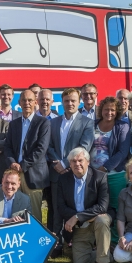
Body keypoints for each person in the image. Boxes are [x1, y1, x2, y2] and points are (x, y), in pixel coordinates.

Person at [48, 88, 94, 243]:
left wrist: (65, 163)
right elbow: (48, 146)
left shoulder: (87, 122)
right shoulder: (53, 122)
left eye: (73, 100)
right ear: (62, 102)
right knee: (56, 209)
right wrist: (57, 163)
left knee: (74, 207)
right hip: (56, 172)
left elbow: (84, 146)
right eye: (66, 100)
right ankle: (57, 242)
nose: (70, 103)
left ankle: (73, 241)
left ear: (79, 101)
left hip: (75, 172)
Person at [57, 147, 111, 263]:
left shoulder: (100, 177)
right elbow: (61, 206)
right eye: (73, 161)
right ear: (69, 164)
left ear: (88, 161)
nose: (77, 164)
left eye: (80, 160)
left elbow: (102, 207)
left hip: (97, 222)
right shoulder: (63, 179)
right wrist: (78, 219)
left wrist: (77, 216)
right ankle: (109, 252)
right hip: (81, 226)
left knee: (102, 219)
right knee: (79, 262)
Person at [3, 89, 51, 221]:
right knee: (15, 213)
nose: (27, 103)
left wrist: (22, 166)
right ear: (19, 103)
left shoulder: (43, 123)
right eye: (24, 100)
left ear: (35, 102)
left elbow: (41, 149)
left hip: (33, 175)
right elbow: (7, 147)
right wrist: (12, 163)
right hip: (14, 173)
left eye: (30, 100)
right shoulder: (14, 124)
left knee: (34, 214)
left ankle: (35, 240)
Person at [91, 97, 131, 174]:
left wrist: (106, 167)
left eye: (112, 110)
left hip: (114, 172)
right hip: (92, 173)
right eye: (106, 109)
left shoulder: (123, 126)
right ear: (101, 110)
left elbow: (123, 152)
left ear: (117, 112)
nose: (109, 112)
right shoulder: (92, 124)